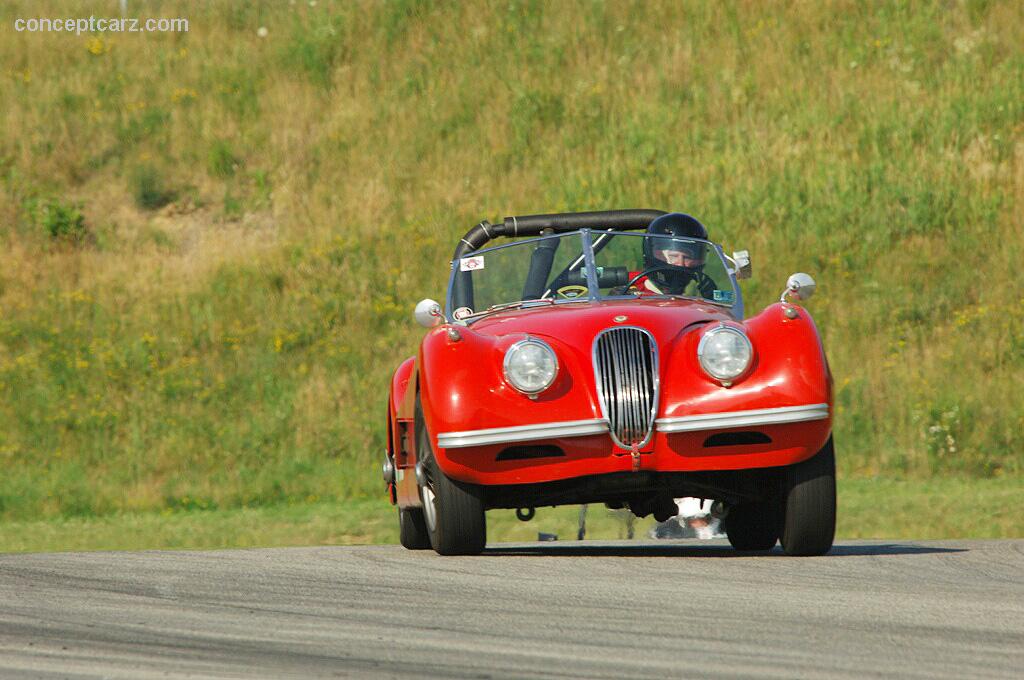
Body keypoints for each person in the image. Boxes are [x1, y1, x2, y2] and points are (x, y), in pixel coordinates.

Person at [637, 212, 717, 298]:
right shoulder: (630, 289)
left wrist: (712, 299)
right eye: (674, 256)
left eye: (687, 257)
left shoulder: (699, 297)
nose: (680, 264)